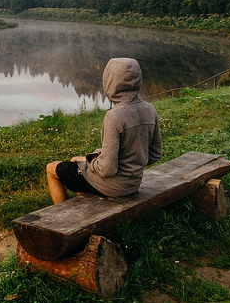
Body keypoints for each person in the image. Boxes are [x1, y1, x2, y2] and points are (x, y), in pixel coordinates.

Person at [44, 57, 162, 204]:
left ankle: (62, 218)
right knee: (75, 161)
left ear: (111, 82)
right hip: (133, 184)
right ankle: (84, 207)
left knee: (51, 169)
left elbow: (107, 170)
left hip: (113, 186)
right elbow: (156, 154)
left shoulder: (114, 116)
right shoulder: (150, 110)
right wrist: (133, 165)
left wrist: (92, 162)